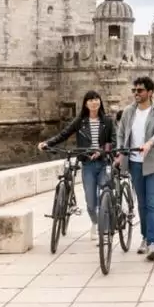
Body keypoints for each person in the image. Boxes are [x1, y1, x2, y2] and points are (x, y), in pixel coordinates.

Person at [37, 90, 116, 242]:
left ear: (100, 102)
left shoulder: (107, 121)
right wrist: (48, 143)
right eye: (91, 100)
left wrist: (101, 151)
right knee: (90, 202)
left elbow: (113, 141)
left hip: (103, 162)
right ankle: (95, 222)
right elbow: (63, 135)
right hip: (87, 164)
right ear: (85, 104)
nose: (94, 102)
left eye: (96, 99)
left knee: (104, 195)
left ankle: (104, 230)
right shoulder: (80, 122)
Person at [116, 76, 154, 261]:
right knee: (142, 203)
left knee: (152, 204)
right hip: (134, 164)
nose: (136, 94)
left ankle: (153, 243)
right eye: (134, 90)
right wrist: (121, 151)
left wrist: (149, 143)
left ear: (150, 92)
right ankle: (145, 238)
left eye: (140, 90)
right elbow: (121, 133)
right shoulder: (128, 112)